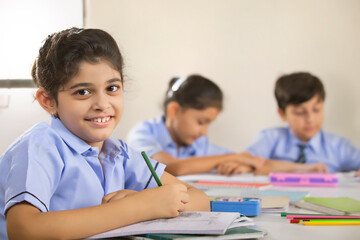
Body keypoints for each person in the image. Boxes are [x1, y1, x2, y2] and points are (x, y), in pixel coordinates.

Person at [0, 28, 210, 240]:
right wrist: (139, 207)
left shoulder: (119, 153)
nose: (102, 104)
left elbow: (200, 199)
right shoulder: (40, 145)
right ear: (49, 101)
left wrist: (147, 199)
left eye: (112, 88)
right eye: (83, 92)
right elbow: (24, 230)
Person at [127, 74, 265, 176]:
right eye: (201, 122)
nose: (205, 132)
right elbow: (173, 167)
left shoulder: (199, 143)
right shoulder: (143, 133)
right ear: (174, 111)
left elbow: (251, 161)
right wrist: (234, 158)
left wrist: (244, 166)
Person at [245, 72, 360, 174]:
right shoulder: (270, 138)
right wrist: (302, 168)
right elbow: (244, 161)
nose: (310, 119)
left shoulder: (338, 146)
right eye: (300, 112)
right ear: (282, 114)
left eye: (316, 110)